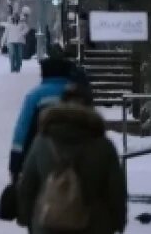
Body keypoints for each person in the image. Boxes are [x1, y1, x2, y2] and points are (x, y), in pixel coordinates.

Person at [16, 85, 126, 234]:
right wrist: (116, 223)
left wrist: (28, 220)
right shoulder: (103, 146)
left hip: (50, 231)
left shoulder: (42, 143)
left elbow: (27, 186)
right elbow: (116, 191)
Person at [9, 45, 94, 181]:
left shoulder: (35, 95)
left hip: (41, 155)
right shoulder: (78, 93)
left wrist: (15, 162)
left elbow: (22, 128)